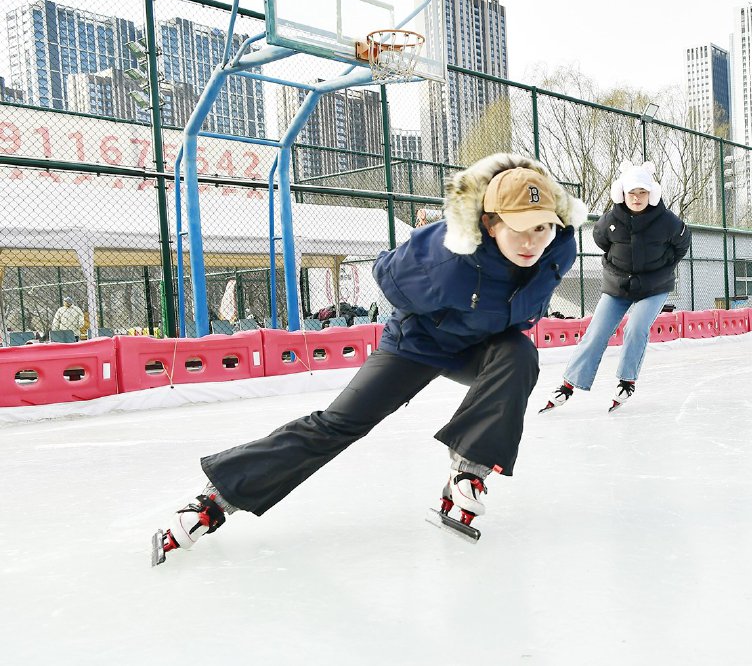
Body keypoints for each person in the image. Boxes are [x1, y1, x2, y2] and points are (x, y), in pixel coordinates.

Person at [153, 153, 587, 563]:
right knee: (339, 423)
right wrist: (441, 242)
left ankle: (468, 471)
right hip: (417, 345)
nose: (532, 242)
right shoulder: (449, 257)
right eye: (519, 228)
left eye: (542, 228)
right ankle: (217, 498)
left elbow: (542, 263)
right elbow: (386, 272)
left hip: (485, 346)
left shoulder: (558, 250)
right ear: (490, 224)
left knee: (520, 355)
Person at [541, 160, 690, 413]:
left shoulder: (668, 222)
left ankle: (626, 381)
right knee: (596, 332)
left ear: (651, 194)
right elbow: (601, 240)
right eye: (632, 193)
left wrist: (662, 267)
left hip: (654, 286)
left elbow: (681, 245)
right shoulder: (610, 220)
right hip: (618, 285)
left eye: (642, 192)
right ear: (622, 193)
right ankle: (568, 385)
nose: (637, 198)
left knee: (636, 328)